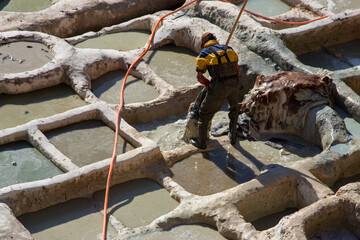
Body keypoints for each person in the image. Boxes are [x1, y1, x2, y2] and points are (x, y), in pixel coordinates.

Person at [190, 32, 242, 149]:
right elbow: (238, 70)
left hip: (219, 86)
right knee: (234, 110)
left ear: (203, 43)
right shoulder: (228, 49)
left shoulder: (204, 53)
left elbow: (200, 77)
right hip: (235, 83)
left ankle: (202, 143)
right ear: (215, 40)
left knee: (204, 113)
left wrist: (208, 84)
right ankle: (233, 137)